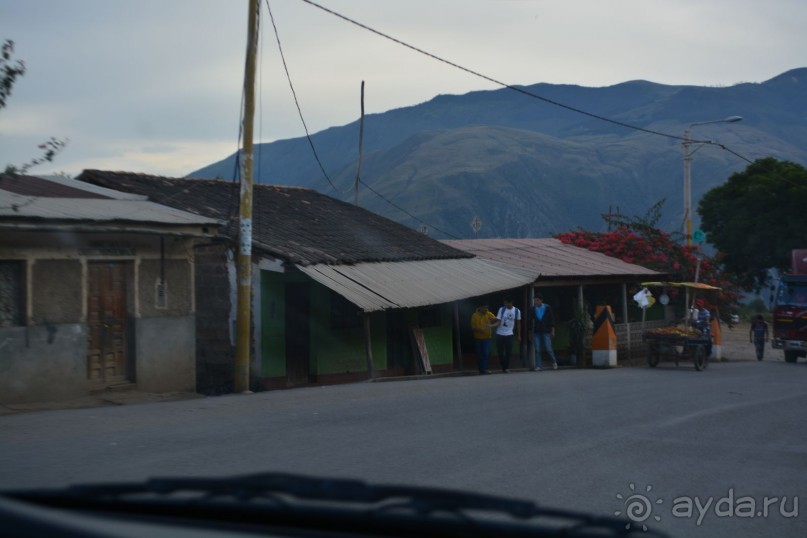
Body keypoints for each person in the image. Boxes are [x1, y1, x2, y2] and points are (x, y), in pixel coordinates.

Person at [530, 293, 557, 370]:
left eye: (537, 300)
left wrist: (553, 331)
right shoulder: (532, 309)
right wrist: (530, 332)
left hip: (546, 331)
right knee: (537, 349)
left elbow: (552, 320)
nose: (536, 302)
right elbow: (530, 320)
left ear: (541, 300)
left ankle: (554, 362)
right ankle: (539, 365)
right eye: (535, 301)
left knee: (548, 348)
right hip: (536, 331)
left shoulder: (547, 307)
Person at [471, 303, 499, 374]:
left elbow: (498, 320)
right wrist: (480, 330)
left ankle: (484, 369)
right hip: (478, 338)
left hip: (487, 338)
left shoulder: (489, 314)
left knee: (486, 353)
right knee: (479, 354)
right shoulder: (475, 315)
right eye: (484, 308)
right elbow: (473, 328)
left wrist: (492, 324)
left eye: (487, 308)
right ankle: (481, 369)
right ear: (480, 308)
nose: (486, 309)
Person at [495, 297, 521, 373]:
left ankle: (505, 368)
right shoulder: (501, 309)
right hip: (499, 333)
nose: (505, 304)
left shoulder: (516, 311)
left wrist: (519, 335)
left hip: (509, 334)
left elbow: (518, 323)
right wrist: (492, 325)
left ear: (511, 303)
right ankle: (503, 364)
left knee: (508, 352)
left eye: (507, 303)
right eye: (505, 303)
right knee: (500, 352)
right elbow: (498, 321)